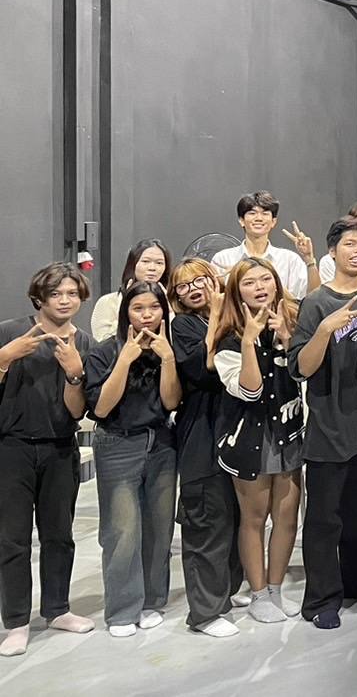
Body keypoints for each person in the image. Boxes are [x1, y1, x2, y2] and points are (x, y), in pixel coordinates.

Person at [289, 217, 357, 629]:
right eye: (350, 243)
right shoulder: (316, 303)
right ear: (332, 251)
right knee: (324, 520)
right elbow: (301, 368)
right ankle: (321, 599)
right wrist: (325, 331)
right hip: (329, 428)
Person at [0, 264, 94, 657]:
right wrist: (5, 358)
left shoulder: (84, 342)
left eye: (72, 293)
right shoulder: (10, 331)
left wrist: (74, 373)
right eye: (56, 293)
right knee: (13, 538)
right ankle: (16, 622)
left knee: (59, 535)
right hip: (12, 447)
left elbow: (77, 411)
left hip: (60, 447)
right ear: (39, 297)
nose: (65, 300)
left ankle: (57, 609)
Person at [209, 259, 304, 623]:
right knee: (254, 518)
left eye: (266, 279)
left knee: (287, 517)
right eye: (249, 283)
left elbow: (305, 373)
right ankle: (259, 593)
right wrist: (249, 340)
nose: (260, 287)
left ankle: (277, 589)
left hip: (289, 432)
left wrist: (288, 339)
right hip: (249, 438)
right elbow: (250, 391)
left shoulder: (292, 323)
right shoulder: (229, 337)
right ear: (237, 292)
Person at [84, 281, 181, 637]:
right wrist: (125, 360)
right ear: (126, 312)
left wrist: (167, 358)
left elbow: (171, 401)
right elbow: (101, 408)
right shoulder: (104, 352)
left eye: (154, 308)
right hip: (118, 444)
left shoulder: (167, 349)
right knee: (122, 530)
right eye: (138, 308)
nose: (146, 316)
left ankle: (152, 601)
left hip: (161, 443)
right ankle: (122, 611)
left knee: (159, 528)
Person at [168, 260, 244, 640]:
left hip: (237, 432)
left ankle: (226, 591)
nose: (194, 288)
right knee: (206, 521)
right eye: (184, 286)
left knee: (234, 517)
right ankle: (204, 611)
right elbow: (202, 370)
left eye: (200, 280)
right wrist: (214, 317)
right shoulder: (182, 326)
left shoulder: (236, 317)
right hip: (202, 433)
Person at [211, 191, 315, 300]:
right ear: (241, 220)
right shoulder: (223, 259)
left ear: (273, 222)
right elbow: (215, 300)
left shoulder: (289, 260)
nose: (259, 218)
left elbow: (311, 298)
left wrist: (309, 259)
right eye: (252, 213)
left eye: (265, 213)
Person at [91, 240, 172, 341]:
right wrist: (124, 306)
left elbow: (176, 340)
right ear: (133, 264)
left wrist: (169, 310)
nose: (152, 268)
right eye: (145, 261)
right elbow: (102, 341)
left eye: (159, 263)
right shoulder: (108, 302)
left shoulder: (173, 301)